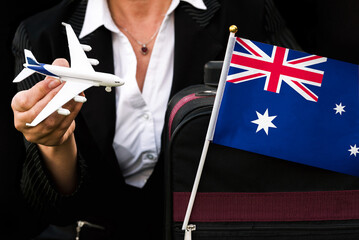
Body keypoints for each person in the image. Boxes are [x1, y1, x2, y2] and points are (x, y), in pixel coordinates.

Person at [11, 0, 299, 239]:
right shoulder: (42, 35)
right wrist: (54, 142)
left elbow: (298, 131)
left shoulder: (247, 13)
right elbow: (55, 208)